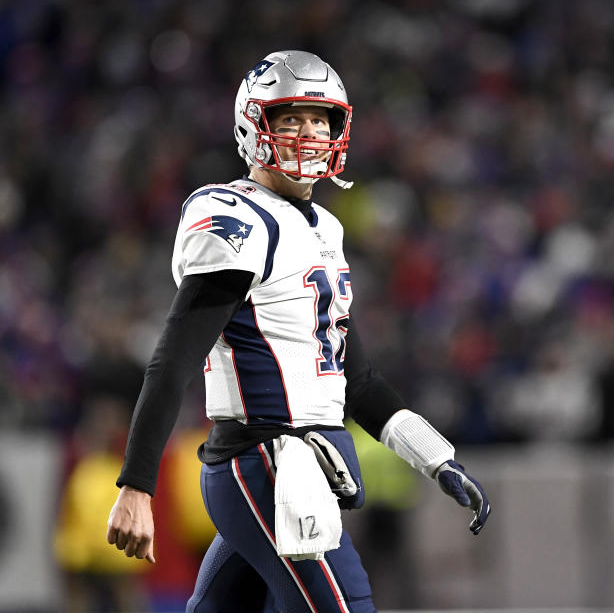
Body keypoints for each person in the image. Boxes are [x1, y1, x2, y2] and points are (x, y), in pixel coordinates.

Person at [105, 50, 491, 613]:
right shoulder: (236, 216)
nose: (310, 133)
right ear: (255, 125)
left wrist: (436, 457)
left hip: (302, 461)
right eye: (291, 118)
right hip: (267, 458)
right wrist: (137, 485)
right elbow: (174, 359)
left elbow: (358, 380)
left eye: (320, 119)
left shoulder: (324, 228)